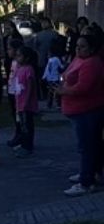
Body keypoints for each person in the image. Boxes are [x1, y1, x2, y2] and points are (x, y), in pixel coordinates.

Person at [57, 35, 104, 196]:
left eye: (83, 46)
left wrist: (64, 90)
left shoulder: (92, 63)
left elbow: (83, 88)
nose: (78, 49)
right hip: (75, 109)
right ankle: (91, 173)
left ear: (91, 48)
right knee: (90, 145)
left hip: (87, 110)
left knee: (87, 146)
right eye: (77, 46)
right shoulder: (79, 59)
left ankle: (87, 181)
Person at [12, 46, 39, 158]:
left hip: (26, 104)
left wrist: (26, 101)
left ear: (26, 58)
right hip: (19, 101)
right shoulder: (19, 68)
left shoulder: (29, 69)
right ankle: (23, 144)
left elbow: (30, 87)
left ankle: (28, 146)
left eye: (20, 55)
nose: (17, 58)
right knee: (22, 125)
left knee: (27, 126)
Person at [42, 41, 64, 110]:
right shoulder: (49, 60)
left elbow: (61, 66)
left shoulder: (56, 59)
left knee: (56, 92)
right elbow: (47, 69)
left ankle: (58, 104)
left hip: (55, 78)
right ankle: (50, 104)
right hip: (50, 79)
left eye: (48, 53)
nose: (48, 54)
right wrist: (44, 76)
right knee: (50, 92)